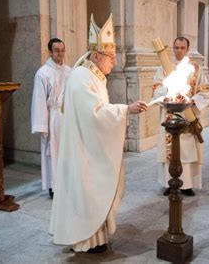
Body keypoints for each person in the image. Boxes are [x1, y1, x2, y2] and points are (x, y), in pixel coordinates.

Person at [49, 14, 147, 254]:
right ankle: (86, 239)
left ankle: (97, 238)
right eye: (111, 57)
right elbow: (95, 115)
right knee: (88, 193)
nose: (114, 62)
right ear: (95, 56)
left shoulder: (93, 75)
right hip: (83, 150)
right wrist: (126, 110)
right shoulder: (82, 77)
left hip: (88, 147)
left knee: (93, 193)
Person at [153, 37, 209, 196]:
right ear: (173, 49)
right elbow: (156, 89)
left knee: (188, 152)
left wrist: (192, 101)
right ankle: (168, 183)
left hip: (188, 115)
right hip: (169, 116)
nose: (179, 50)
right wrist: (170, 92)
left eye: (182, 48)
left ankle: (187, 184)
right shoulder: (164, 69)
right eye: (176, 47)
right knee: (169, 151)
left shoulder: (196, 69)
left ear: (187, 49)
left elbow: (205, 92)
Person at [31, 38, 71, 199]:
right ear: (50, 52)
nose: (60, 53)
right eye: (57, 50)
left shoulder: (70, 71)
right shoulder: (43, 73)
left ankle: (68, 183)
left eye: (62, 50)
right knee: (53, 152)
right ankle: (54, 187)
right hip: (53, 118)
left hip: (68, 116)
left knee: (68, 151)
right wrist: (42, 126)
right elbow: (39, 100)